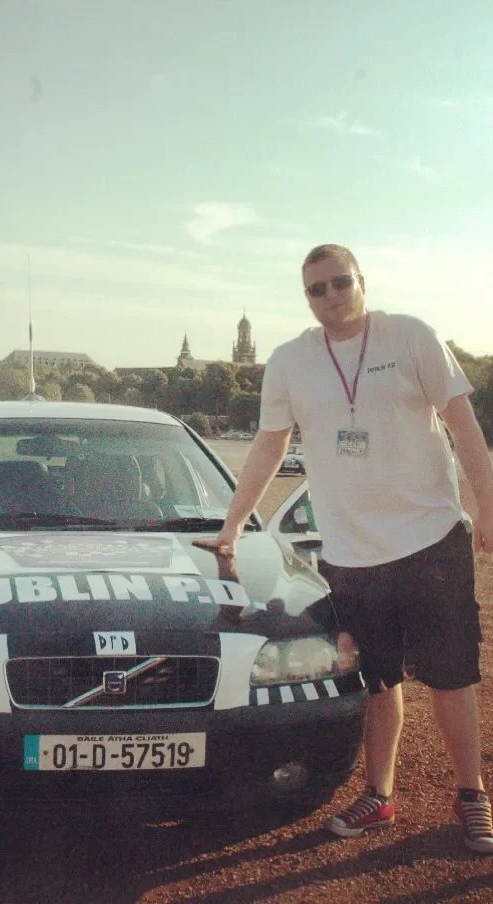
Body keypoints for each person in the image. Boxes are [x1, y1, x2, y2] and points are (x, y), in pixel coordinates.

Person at [197, 243, 493, 855]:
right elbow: (268, 447)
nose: (330, 296)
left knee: (451, 678)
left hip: (430, 538)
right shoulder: (289, 361)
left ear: (362, 281)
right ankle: (379, 795)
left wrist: (487, 509)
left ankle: (472, 794)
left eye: (340, 283)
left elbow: (463, 425)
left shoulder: (411, 337)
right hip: (352, 553)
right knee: (378, 682)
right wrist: (232, 526)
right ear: (305, 297)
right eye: (316, 289)